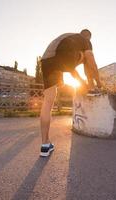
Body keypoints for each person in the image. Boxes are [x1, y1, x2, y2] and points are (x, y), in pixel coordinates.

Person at [39, 29, 101, 157]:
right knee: (87, 57)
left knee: (48, 102)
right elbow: (91, 61)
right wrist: (99, 82)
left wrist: (64, 78)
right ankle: (93, 87)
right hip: (62, 60)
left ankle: (45, 145)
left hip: (46, 61)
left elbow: (64, 61)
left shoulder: (70, 38)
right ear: (88, 37)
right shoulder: (85, 41)